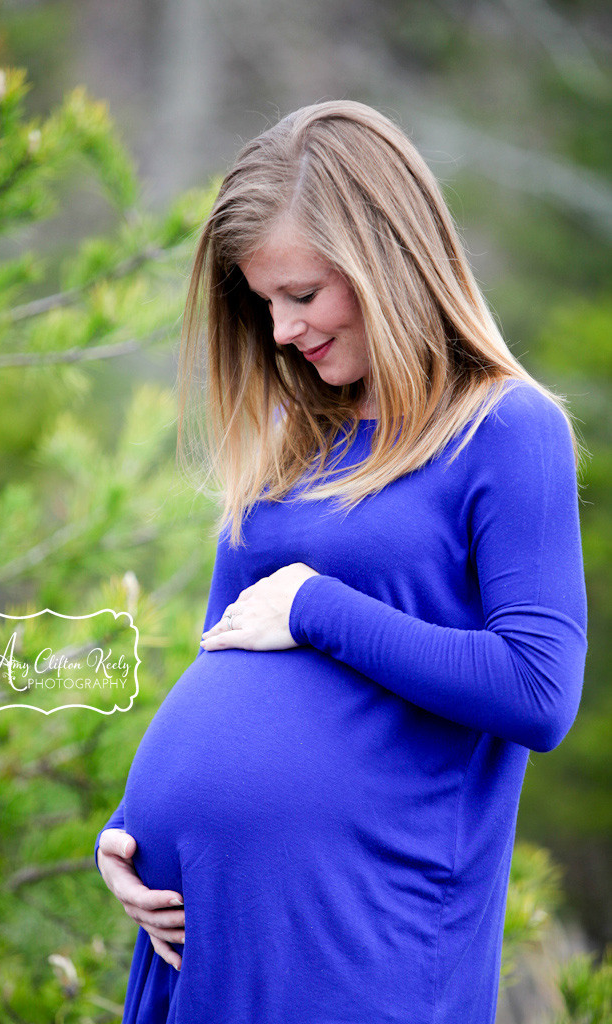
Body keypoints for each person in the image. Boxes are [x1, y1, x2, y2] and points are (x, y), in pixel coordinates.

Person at [95, 100, 587, 1024]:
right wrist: (128, 835)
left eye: (302, 295)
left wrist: (319, 607)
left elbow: (537, 691)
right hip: (197, 929)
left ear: (386, 262)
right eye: (263, 302)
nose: (281, 331)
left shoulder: (506, 431)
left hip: (359, 938)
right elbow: (227, 651)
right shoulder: (294, 433)